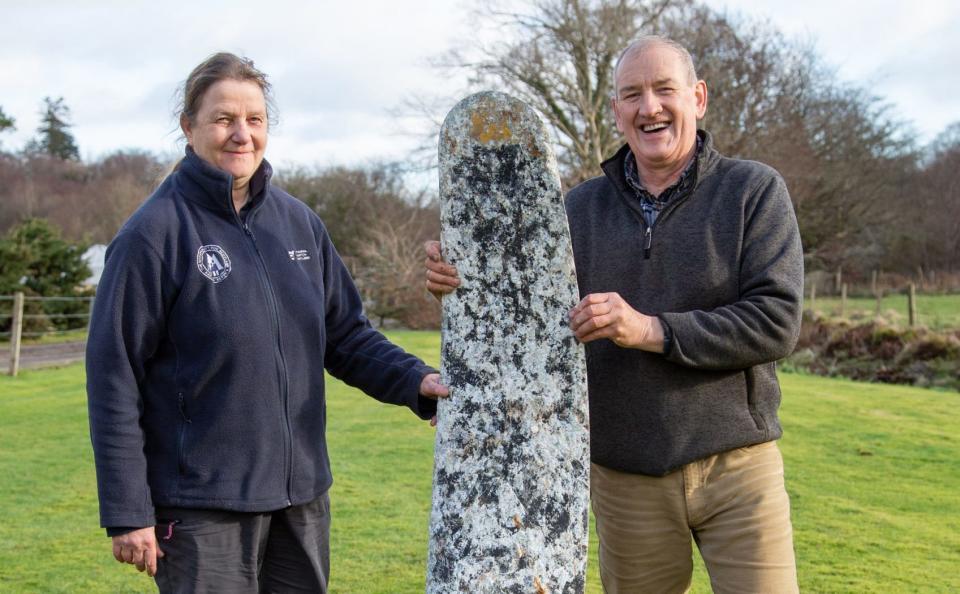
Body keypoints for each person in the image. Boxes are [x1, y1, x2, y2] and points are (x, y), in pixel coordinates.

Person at [425, 35, 803, 593]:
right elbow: (529, 327)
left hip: (737, 468)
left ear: (697, 98)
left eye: (663, 90)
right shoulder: (576, 208)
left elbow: (775, 320)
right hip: (625, 479)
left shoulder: (752, 190)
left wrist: (650, 330)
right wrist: (463, 286)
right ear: (616, 112)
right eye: (632, 94)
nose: (649, 107)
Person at [87, 52, 448, 593]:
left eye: (254, 120)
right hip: (201, 508)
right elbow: (114, 375)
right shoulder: (154, 234)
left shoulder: (299, 223)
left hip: (300, 498)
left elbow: (346, 335)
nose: (241, 135)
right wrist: (127, 510)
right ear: (189, 127)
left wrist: (415, 382)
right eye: (224, 119)